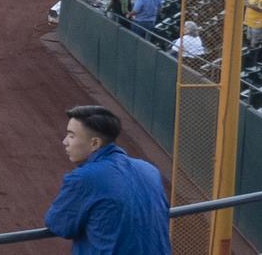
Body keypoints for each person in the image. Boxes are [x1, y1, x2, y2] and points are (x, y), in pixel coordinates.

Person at [44, 105, 169, 255]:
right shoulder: (149, 169)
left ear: (94, 143)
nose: (65, 141)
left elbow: (59, 225)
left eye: (71, 135)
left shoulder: (84, 178)